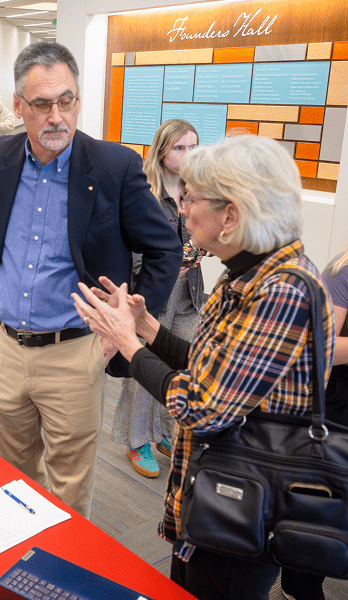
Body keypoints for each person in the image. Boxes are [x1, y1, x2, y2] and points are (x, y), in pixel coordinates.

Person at [71, 133, 335, 600]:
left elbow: (204, 406)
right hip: (219, 490)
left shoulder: (280, 292)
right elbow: (215, 367)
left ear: (230, 215)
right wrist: (149, 328)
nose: (184, 209)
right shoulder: (250, 274)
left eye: (191, 198)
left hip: (244, 508)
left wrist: (129, 346)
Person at [0, 41, 181, 518]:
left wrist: (124, 324)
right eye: (42, 105)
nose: (57, 116)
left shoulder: (112, 166)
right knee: (12, 476)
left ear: (78, 98)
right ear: (18, 106)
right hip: (3, 346)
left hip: (76, 351)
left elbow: (165, 247)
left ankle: (60, 580)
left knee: (67, 488)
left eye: (67, 100)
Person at [115, 119, 202, 478]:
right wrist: (172, 261)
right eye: (180, 147)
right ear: (163, 149)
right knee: (144, 367)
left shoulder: (195, 190)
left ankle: (166, 433)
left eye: (194, 148)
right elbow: (134, 251)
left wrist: (200, 247)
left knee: (183, 366)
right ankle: (137, 440)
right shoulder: (144, 193)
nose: (187, 155)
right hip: (153, 295)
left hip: (190, 293)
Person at [280, 242, 348, 600]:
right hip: (338, 403)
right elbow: (322, 347)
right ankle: (300, 583)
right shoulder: (342, 270)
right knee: (322, 505)